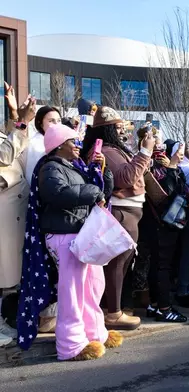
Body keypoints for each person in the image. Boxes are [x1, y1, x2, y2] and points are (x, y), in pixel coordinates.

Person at [29, 123, 124, 360]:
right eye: (74, 142)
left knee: (92, 287)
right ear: (60, 145)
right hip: (63, 235)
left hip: (80, 234)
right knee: (72, 291)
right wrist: (92, 190)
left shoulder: (75, 167)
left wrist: (103, 169)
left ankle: (94, 333)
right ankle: (70, 345)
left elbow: (104, 190)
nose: (79, 146)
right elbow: (57, 194)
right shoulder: (50, 167)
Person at [82, 106, 153, 330]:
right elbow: (125, 178)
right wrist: (145, 153)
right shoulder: (107, 150)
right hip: (121, 214)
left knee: (121, 264)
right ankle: (113, 312)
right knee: (117, 263)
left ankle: (110, 308)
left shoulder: (111, 149)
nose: (123, 132)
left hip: (128, 214)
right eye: (118, 128)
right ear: (109, 130)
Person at [0, 83, 36, 346]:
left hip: (12, 211)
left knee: (9, 274)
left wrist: (16, 116)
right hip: (4, 212)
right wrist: (22, 121)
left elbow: (15, 144)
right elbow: (5, 154)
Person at [144, 140, 189, 323]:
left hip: (167, 225)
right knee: (162, 266)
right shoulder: (154, 169)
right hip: (161, 224)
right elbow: (166, 196)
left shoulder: (172, 168)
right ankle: (163, 308)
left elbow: (183, 189)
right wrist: (171, 167)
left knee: (158, 265)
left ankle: (155, 304)